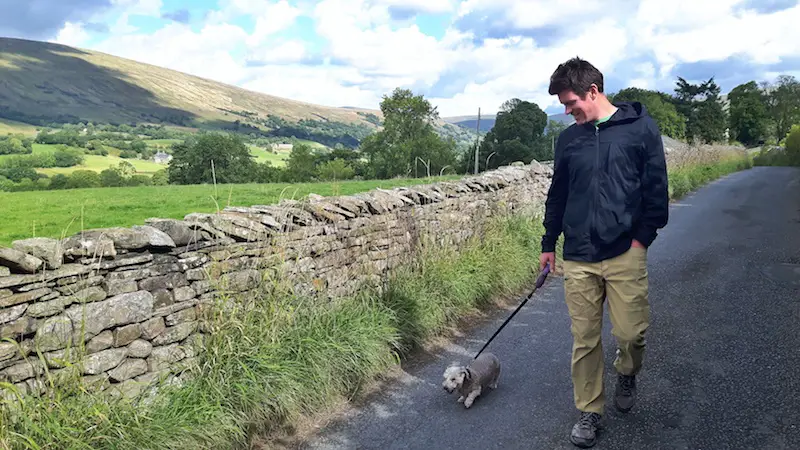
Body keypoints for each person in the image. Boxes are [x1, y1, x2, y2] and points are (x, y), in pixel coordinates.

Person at [539, 57, 669, 448]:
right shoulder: (569, 139)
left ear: (593, 91)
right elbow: (557, 195)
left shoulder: (641, 129)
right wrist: (549, 244)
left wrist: (641, 238)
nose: (567, 111)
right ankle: (590, 411)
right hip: (578, 255)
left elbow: (656, 190)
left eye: (570, 102)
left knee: (631, 334)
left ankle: (627, 372)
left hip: (624, 251)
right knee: (585, 338)